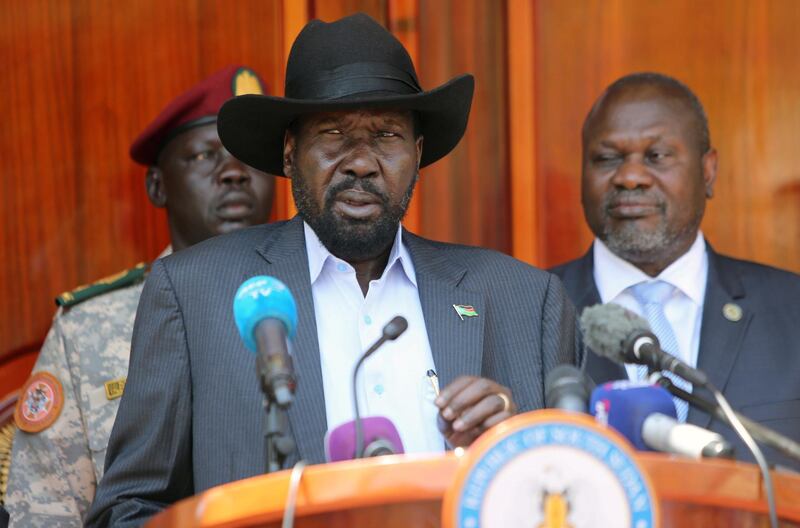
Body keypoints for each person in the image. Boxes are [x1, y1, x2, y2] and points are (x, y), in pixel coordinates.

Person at [86, 13, 579, 526]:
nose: (361, 162)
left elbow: (587, 491)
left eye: (385, 135)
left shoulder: (524, 298)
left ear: (416, 153)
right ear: (291, 151)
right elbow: (129, 509)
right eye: (334, 133)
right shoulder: (195, 293)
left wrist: (514, 445)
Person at [6, 65, 276, 527]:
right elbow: (44, 512)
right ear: (157, 186)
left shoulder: (315, 298)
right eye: (205, 156)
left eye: (249, 157)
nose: (234, 173)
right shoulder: (88, 330)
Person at [552, 72, 800, 469]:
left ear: (708, 171)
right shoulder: (529, 310)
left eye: (657, 156)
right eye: (607, 158)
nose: (630, 177)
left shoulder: (792, 310)